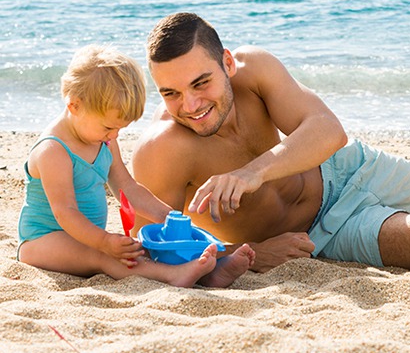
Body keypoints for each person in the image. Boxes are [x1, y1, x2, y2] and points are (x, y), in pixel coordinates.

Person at [131, 12, 410, 272]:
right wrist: (251, 252)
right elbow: (149, 251)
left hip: (345, 167)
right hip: (324, 234)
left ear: (227, 63)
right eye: (170, 93)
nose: (190, 105)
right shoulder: (162, 150)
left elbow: (329, 131)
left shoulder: (253, 69)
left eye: (200, 83)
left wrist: (251, 173)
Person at [17, 45, 254, 288]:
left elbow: (127, 188)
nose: (114, 135)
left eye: (120, 128)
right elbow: (65, 212)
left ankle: (209, 274)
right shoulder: (53, 151)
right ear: (74, 106)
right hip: (43, 241)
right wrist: (104, 242)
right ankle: (173, 276)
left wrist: (166, 216)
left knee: (143, 249)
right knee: (104, 257)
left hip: (87, 238)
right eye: (109, 127)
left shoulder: (104, 140)